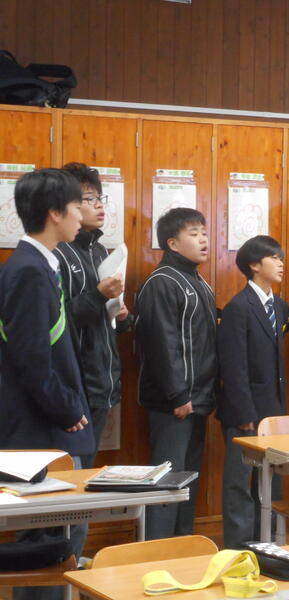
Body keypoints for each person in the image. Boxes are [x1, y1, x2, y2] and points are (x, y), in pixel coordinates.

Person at [0, 168, 93, 600]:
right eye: (76, 206)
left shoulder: (40, 265)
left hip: (48, 422)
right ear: (55, 212)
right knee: (45, 546)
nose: (82, 215)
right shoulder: (28, 270)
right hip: (38, 429)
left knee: (59, 539)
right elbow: (31, 357)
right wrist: (66, 408)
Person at [135, 207, 217, 540]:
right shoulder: (162, 282)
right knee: (168, 481)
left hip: (199, 399)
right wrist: (178, 395)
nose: (203, 240)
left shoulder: (199, 281)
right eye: (194, 234)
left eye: (204, 233)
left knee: (188, 480)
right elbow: (161, 345)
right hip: (174, 403)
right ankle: (158, 549)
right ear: (172, 243)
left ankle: (183, 545)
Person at [54, 163, 132, 468]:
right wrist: (100, 295)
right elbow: (58, 323)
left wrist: (120, 315)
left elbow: (104, 321)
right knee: (68, 475)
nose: (99, 205)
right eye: (89, 199)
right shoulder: (58, 253)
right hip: (74, 386)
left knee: (85, 472)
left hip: (102, 382)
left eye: (100, 198)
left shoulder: (100, 251)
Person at [217, 235, 289, 548]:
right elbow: (234, 367)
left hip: (272, 409)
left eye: (281, 257)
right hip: (244, 411)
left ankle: (267, 540)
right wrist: (245, 413)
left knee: (270, 480)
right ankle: (238, 544)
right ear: (254, 265)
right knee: (239, 480)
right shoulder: (239, 307)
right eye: (274, 258)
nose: (281, 264)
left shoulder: (278, 305)